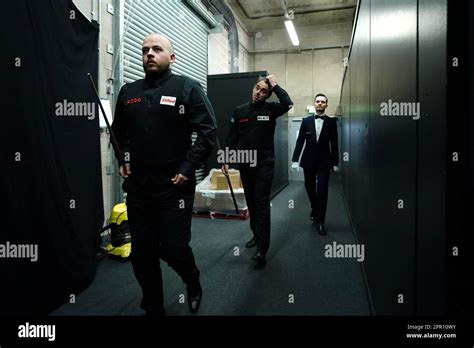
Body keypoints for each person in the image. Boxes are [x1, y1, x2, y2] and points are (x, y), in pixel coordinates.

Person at [111, 33, 217, 316]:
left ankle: (192, 279)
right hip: (139, 189)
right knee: (143, 255)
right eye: (145, 49)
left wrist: (187, 168)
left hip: (175, 187)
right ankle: (153, 306)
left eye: (156, 49)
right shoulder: (128, 92)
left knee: (173, 247)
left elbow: (208, 132)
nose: (149, 53)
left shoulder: (187, 88)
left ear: (171, 57)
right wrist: (124, 158)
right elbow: (118, 133)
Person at [222, 75, 293, 266]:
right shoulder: (240, 111)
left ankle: (262, 249)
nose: (258, 93)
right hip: (246, 163)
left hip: (264, 163)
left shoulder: (271, 109)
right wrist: (227, 159)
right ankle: (256, 234)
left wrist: (275, 84)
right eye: (257, 88)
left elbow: (288, 103)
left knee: (261, 204)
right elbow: (232, 138)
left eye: (263, 91)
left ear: (267, 95)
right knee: (252, 204)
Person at [291, 93, 339, 236]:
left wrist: (335, 162)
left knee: (323, 191)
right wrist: (295, 159)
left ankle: (320, 222)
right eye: (317, 101)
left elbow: (334, 143)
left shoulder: (331, 122)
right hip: (308, 160)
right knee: (309, 186)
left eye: (322, 102)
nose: (320, 103)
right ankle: (314, 206)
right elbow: (300, 141)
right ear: (314, 103)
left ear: (326, 105)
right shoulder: (306, 121)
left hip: (325, 162)